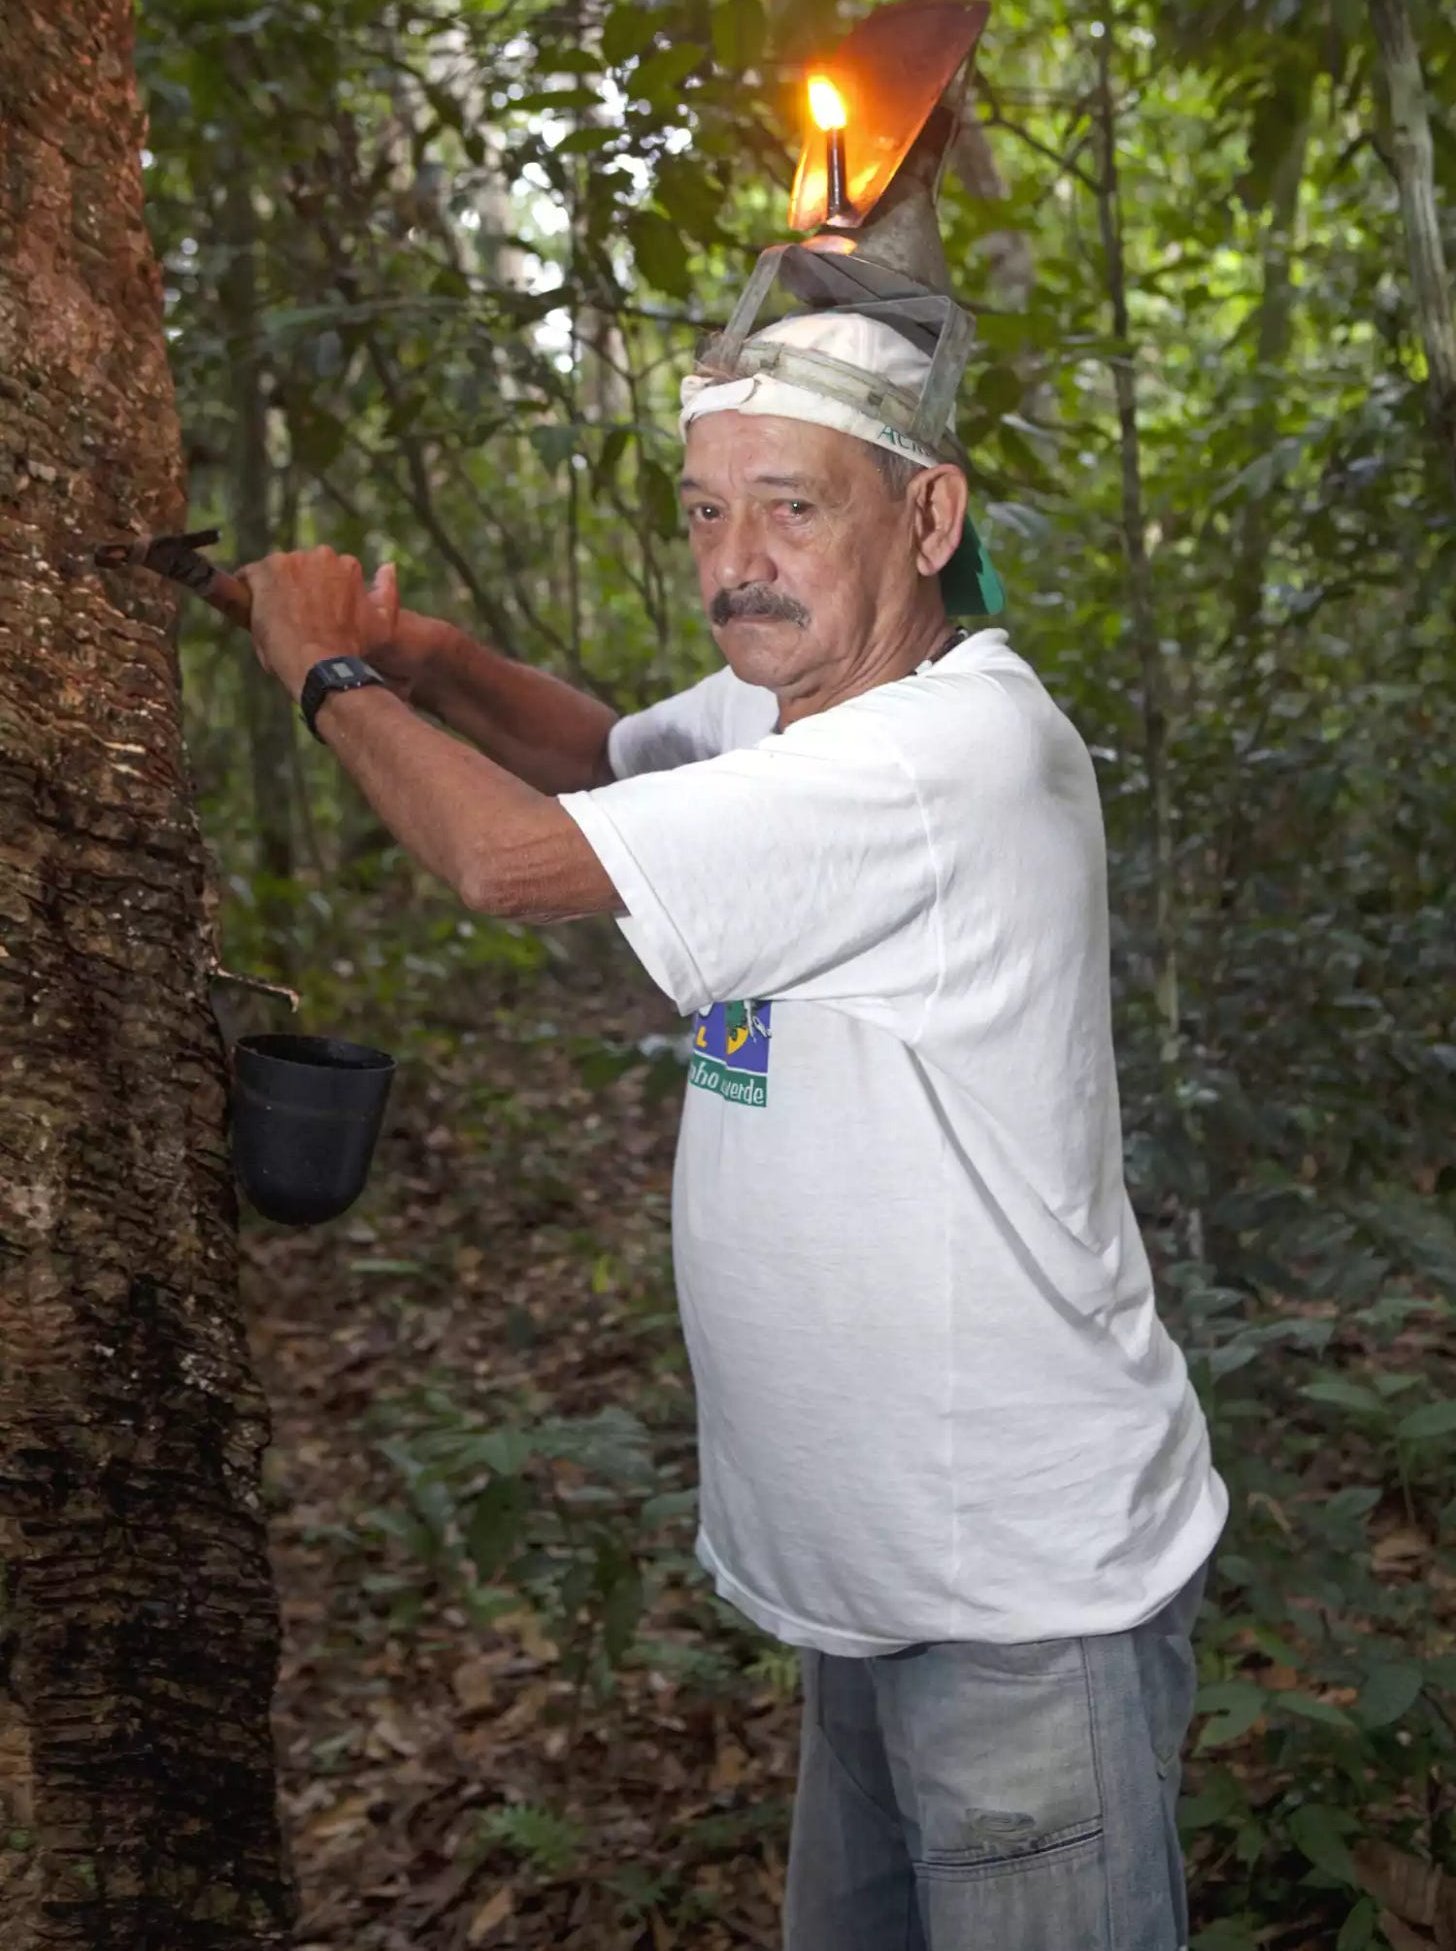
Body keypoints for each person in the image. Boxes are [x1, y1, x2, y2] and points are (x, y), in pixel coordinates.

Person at [242, 308, 1227, 1951]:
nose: (738, 560)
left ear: (928, 517)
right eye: (705, 509)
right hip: (876, 1578)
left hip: (1017, 1603)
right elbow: (605, 759)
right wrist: (431, 666)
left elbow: (515, 861)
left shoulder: (942, 757)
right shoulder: (800, 708)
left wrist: (325, 674)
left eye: (794, 505)